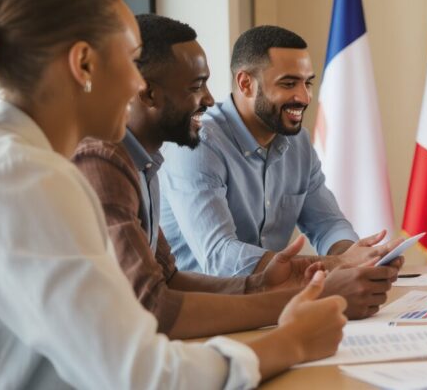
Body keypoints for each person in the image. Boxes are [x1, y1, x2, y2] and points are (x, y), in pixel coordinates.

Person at [0, 0, 344, 388]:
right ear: (83, 64)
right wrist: (292, 342)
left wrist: (265, 290)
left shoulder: (17, 163)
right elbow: (138, 373)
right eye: (133, 60)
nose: (138, 84)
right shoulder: (24, 178)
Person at [72, 14, 400, 337]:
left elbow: (168, 279)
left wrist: (271, 280)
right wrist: (321, 286)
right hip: (194, 330)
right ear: (147, 94)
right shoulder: (113, 159)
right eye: (196, 86)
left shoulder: (145, 160)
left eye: (306, 83)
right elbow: (159, 303)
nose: (210, 99)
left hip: (216, 322)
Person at [158, 25, 396, 310]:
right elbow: (220, 257)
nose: (304, 98)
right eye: (288, 84)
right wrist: (338, 263)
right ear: (245, 83)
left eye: (307, 83)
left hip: (272, 305)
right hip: (206, 313)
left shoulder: (298, 144)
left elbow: (328, 224)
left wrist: (359, 258)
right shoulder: (198, 144)